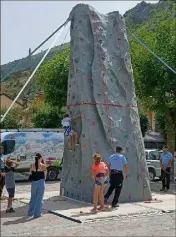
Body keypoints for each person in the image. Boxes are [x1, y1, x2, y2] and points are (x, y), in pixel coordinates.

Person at [28, 153, 46, 218]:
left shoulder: (31, 165)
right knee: (40, 198)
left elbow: (30, 173)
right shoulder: (43, 165)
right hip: (41, 182)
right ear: (40, 158)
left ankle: (30, 212)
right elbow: (44, 174)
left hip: (34, 182)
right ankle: (37, 214)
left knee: (33, 197)